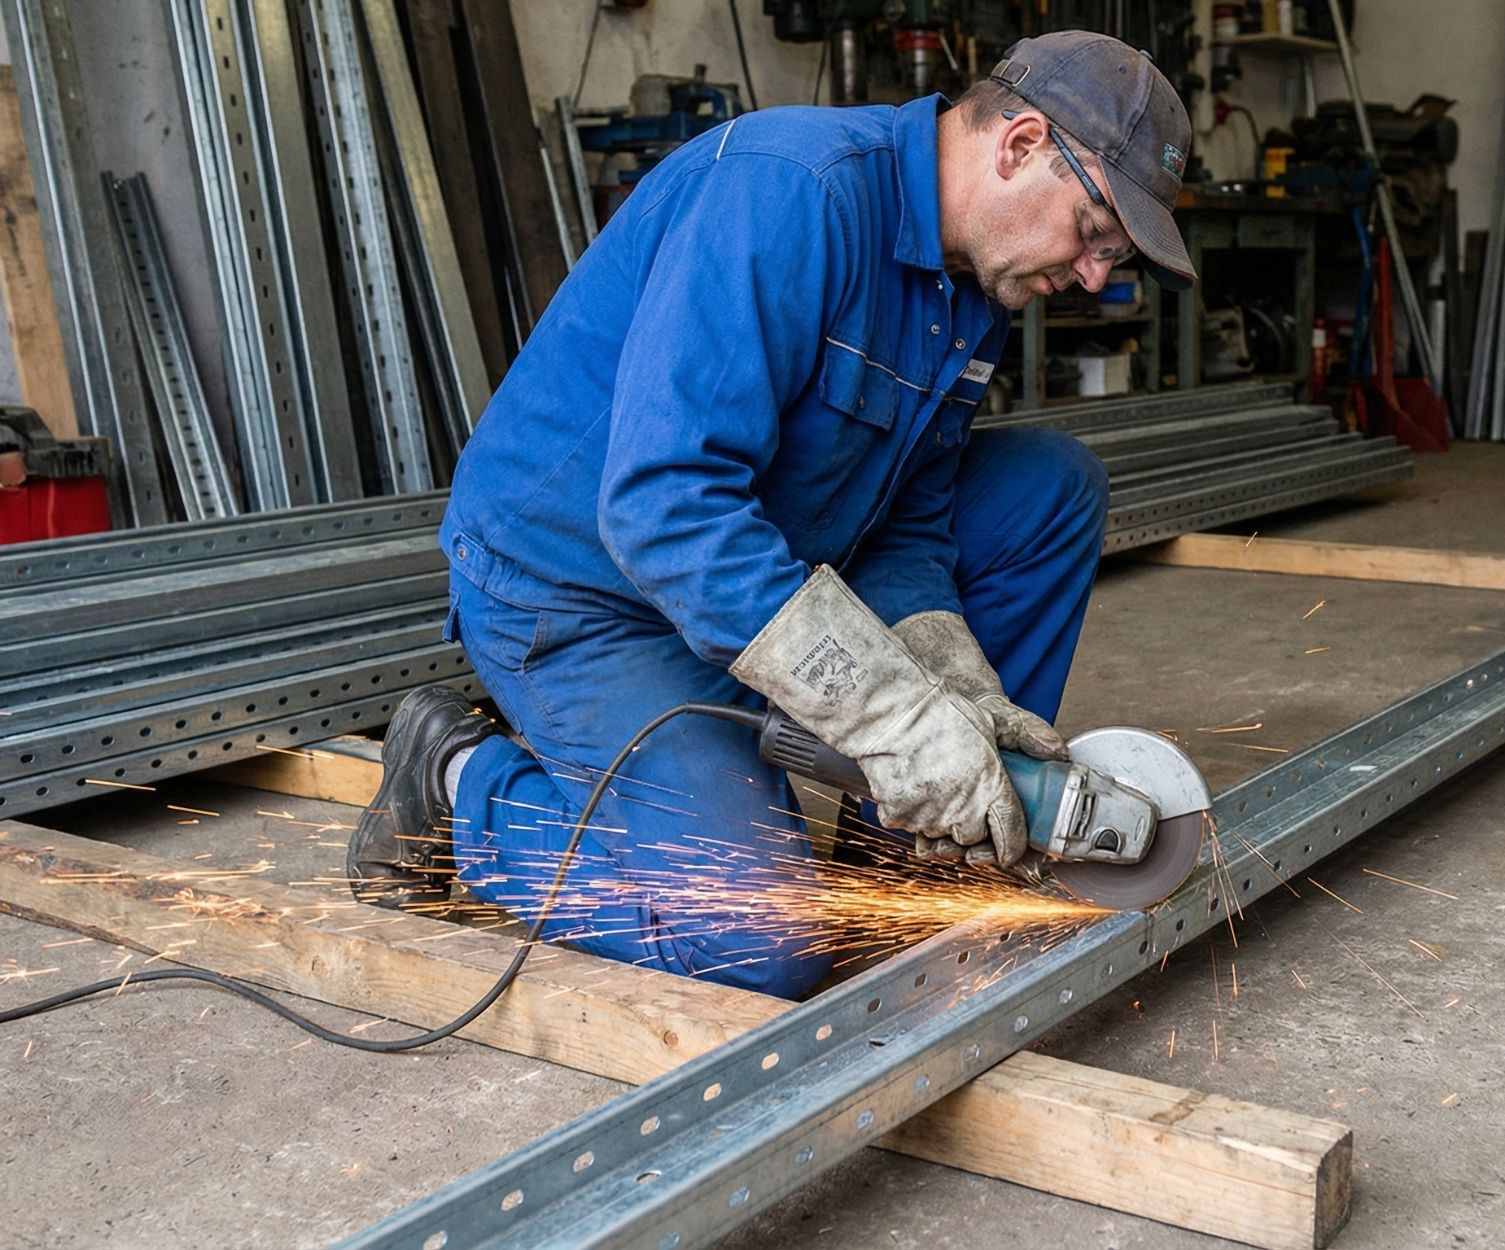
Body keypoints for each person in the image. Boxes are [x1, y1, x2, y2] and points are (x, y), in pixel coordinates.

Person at [346, 30, 1197, 999]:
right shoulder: (793, 195)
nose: (1095, 275)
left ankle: (913, 845)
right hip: (583, 592)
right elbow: (664, 508)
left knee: (1049, 487)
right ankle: (456, 790)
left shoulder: (976, 290)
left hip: (762, 555)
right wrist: (889, 711)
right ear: (1020, 146)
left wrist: (953, 684)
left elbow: (907, 518)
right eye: (1094, 232)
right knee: (763, 940)